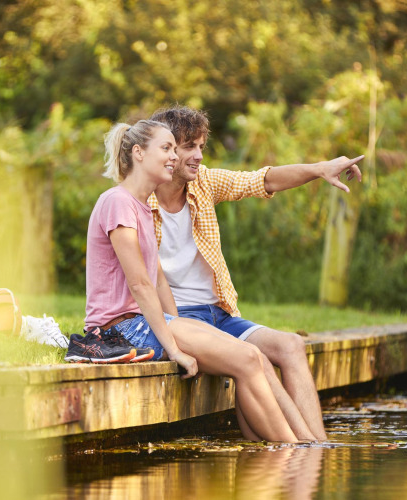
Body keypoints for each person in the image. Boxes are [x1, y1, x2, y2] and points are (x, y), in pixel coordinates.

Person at [67, 118, 299, 442]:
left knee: (251, 357)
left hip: (146, 322)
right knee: (246, 358)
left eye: (175, 150)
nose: (174, 157)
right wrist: (175, 348)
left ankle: (283, 450)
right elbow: (140, 285)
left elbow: (158, 278)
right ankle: (298, 453)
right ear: (138, 153)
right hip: (121, 328)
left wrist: (181, 329)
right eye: (166, 148)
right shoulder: (117, 202)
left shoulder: (142, 207)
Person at [148, 105, 364, 441]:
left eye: (201, 147)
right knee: (257, 360)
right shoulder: (137, 200)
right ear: (165, 148)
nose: (198, 156)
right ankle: (309, 450)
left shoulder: (203, 184)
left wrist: (321, 169)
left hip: (218, 313)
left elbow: (262, 179)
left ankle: (318, 444)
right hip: (180, 319)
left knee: (291, 345)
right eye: (189, 146)